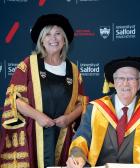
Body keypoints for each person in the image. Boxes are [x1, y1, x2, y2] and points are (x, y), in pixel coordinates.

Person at [0, 14, 88, 168]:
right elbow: (15, 100)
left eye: (58, 34)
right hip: (34, 133)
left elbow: (82, 103)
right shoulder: (27, 65)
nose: (53, 38)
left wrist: (68, 118)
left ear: (64, 39)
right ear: (41, 39)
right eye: (48, 34)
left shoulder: (73, 70)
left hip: (63, 135)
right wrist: (39, 117)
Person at [66, 57, 140, 168]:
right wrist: (77, 155)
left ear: (139, 83)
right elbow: (82, 138)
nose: (125, 83)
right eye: (120, 78)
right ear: (113, 82)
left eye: (131, 78)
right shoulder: (95, 109)